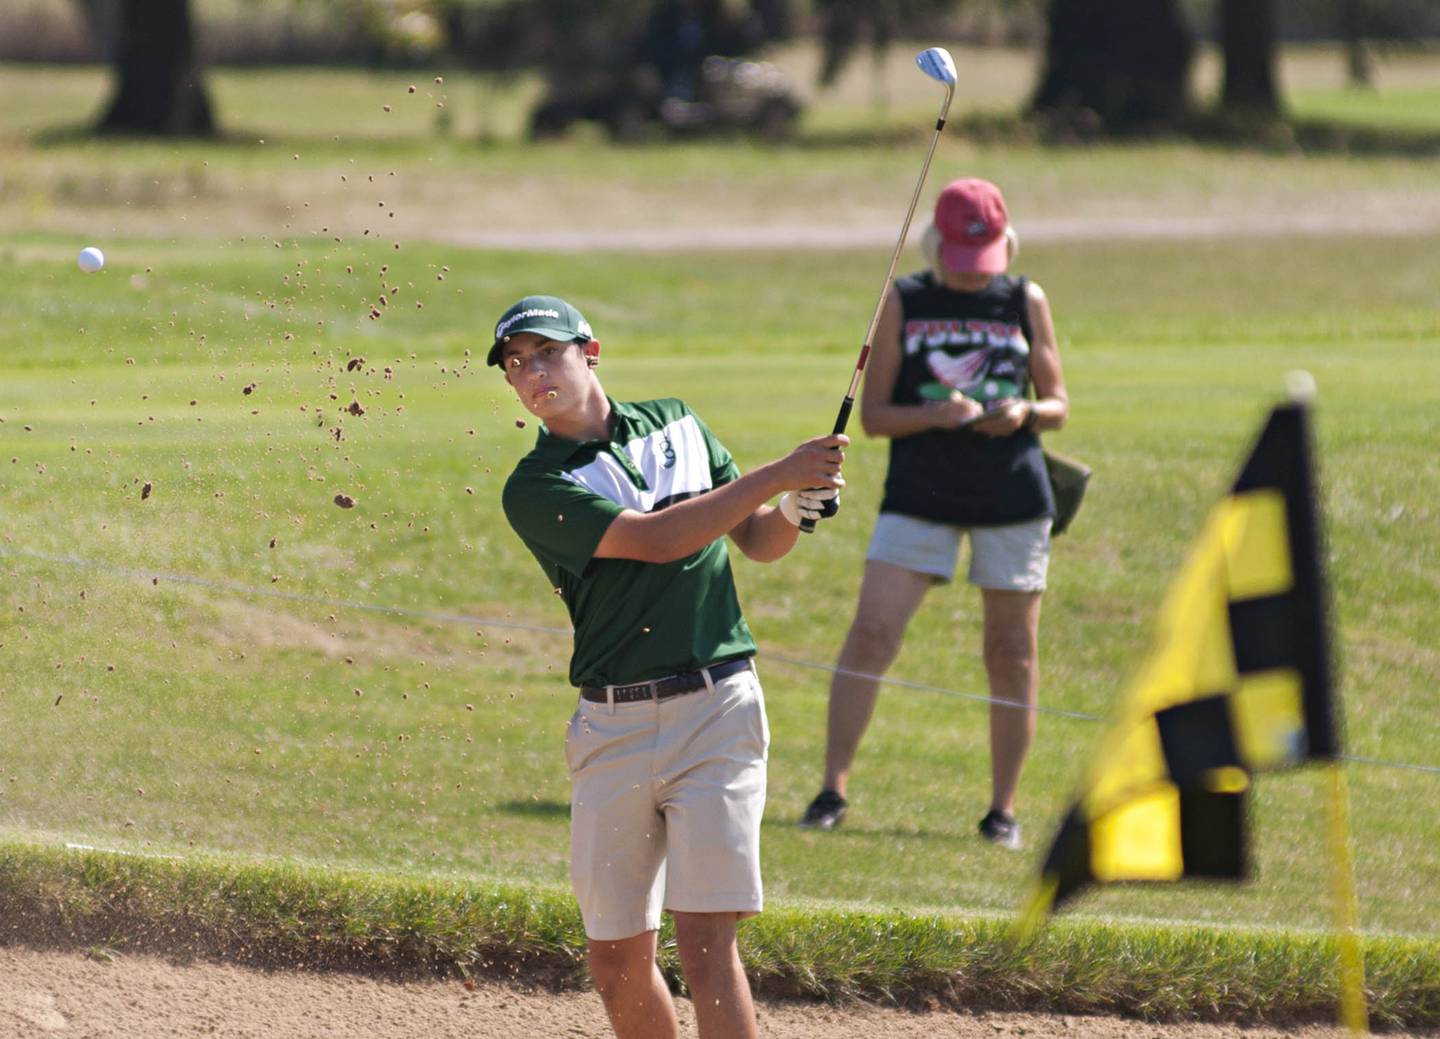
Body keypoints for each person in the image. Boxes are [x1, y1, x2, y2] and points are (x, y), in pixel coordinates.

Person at [492, 294, 846, 1039]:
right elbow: (657, 539)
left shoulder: (679, 421)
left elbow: (753, 537)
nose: (532, 373)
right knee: (615, 958)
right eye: (516, 364)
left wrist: (791, 511)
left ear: (590, 352)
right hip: (613, 725)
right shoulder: (534, 486)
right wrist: (780, 473)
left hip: (718, 710)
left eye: (546, 353)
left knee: (707, 943)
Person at [798, 178, 1069, 850]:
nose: (974, 276)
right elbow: (876, 415)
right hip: (920, 493)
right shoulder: (906, 300)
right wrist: (935, 414)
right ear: (935, 247)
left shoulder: (1025, 298)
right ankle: (833, 788)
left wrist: (1024, 414)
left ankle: (1002, 810)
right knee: (872, 635)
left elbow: (1058, 401)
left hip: (1013, 495)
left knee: (1011, 652)